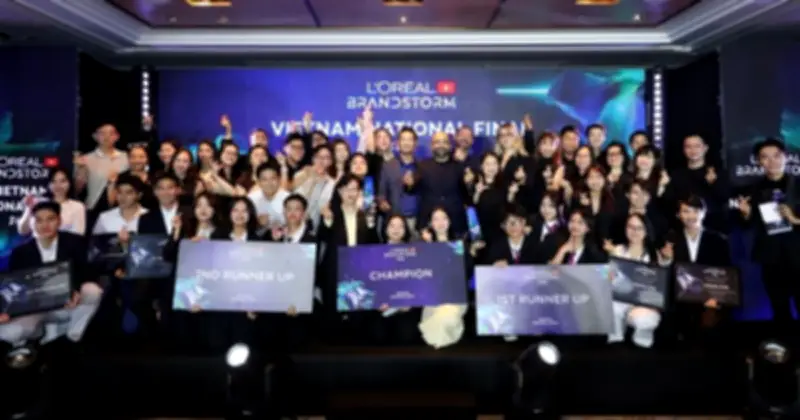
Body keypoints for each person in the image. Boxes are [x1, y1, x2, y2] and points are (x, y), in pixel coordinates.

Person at [0, 202, 102, 347]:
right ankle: (33, 338)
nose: (45, 225)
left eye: (50, 219)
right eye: (39, 220)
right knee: (9, 333)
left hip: (67, 304)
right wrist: (7, 311)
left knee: (92, 291)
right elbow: (13, 286)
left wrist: (75, 289)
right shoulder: (20, 252)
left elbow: (88, 271)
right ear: (32, 223)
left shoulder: (75, 242)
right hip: (35, 309)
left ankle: (72, 338)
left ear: (59, 221)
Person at [735, 137, 800, 331]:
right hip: (772, 258)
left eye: (776, 156)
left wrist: (796, 220)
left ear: (786, 157)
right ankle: (786, 346)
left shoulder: (797, 185)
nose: (772, 161)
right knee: (779, 310)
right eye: (765, 157)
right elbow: (746, 226)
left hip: (798, 255)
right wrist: (746, 214)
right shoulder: (752, 190)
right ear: (758, 161)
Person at [318, 175, 378, 344]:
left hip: (358, 268)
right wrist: (327, 220)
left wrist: (371, 225)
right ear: (339, 191)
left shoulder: (364, 214)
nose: (351, 193)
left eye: (355, 189)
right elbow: (323, 237)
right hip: (335, 267)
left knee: (357, 318)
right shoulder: (331, 212)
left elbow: (373, 243)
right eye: (347, 189)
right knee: (333, 317)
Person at [663, 196, 731, 343]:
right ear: (679, 215)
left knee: (711, 324)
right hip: (680, 297)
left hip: (709, 296)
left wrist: (715, 297)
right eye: (686, 211)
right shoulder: (671, 239)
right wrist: (666, 259)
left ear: (704, 213)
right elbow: (666, 273)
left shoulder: (718, 240)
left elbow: (725, 274)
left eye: (696, 211)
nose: (691, 216)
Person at [604, 213, 669, 348]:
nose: (634, 231)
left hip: (645, 303)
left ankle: (642, 342)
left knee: (643, 319)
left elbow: (660, 286)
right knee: (611, 306)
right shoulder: (618, 250)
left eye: (639, 228)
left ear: (646, 231)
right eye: (631, 227)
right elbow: (609, 280)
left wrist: (668, 260)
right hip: (621, 299)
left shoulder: (654, 255)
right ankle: (615, 341)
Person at [404, 131, 469, 235]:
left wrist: (470, 184)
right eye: (437, 142)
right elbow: (412, 190)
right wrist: (409, 184)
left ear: (449, 145)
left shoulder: (459, 166)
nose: (441, 145)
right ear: (431, 146)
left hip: (456, 224)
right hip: (428, 225)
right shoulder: (423, 166)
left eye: (444, 142)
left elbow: (467, 195)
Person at [73, 124, 130, 214]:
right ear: (95, 136)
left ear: (117, 137)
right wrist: (80, 171)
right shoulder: (86, 159)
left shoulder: (126, 157)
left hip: (122, 208)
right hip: (94, 208)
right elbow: (77, 190)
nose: (107, 137)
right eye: (102, 133)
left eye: (111, 133)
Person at [17, 168, 86, 236]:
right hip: (37, 242)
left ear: (69, 183)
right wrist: (29, 209)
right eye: (53, 181)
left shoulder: (78, 206)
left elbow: (78, 236)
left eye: (62, 181)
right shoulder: (38, 202)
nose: (58, 185)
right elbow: (22, 230)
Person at [248, 163, 290, 230]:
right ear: (258, 182)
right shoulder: (251, 199)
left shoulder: (289, 199)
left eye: (273, 178)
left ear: (279, 180)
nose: (269, 183)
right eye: (264, 179)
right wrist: (257, 222)